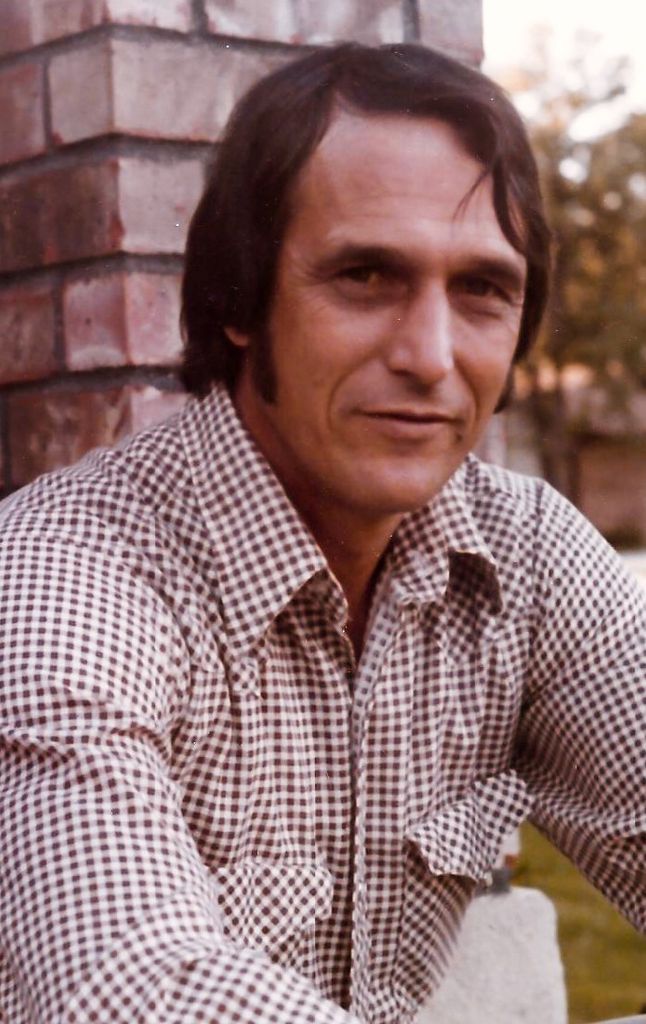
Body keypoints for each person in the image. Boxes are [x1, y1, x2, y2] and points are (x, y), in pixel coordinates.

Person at [0, 41, 643, 1024]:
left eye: (481, 288)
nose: (431, 356)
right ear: (241, 300)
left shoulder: (527, 554)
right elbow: (129, 986)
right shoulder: (60, 571)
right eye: (365, 275)